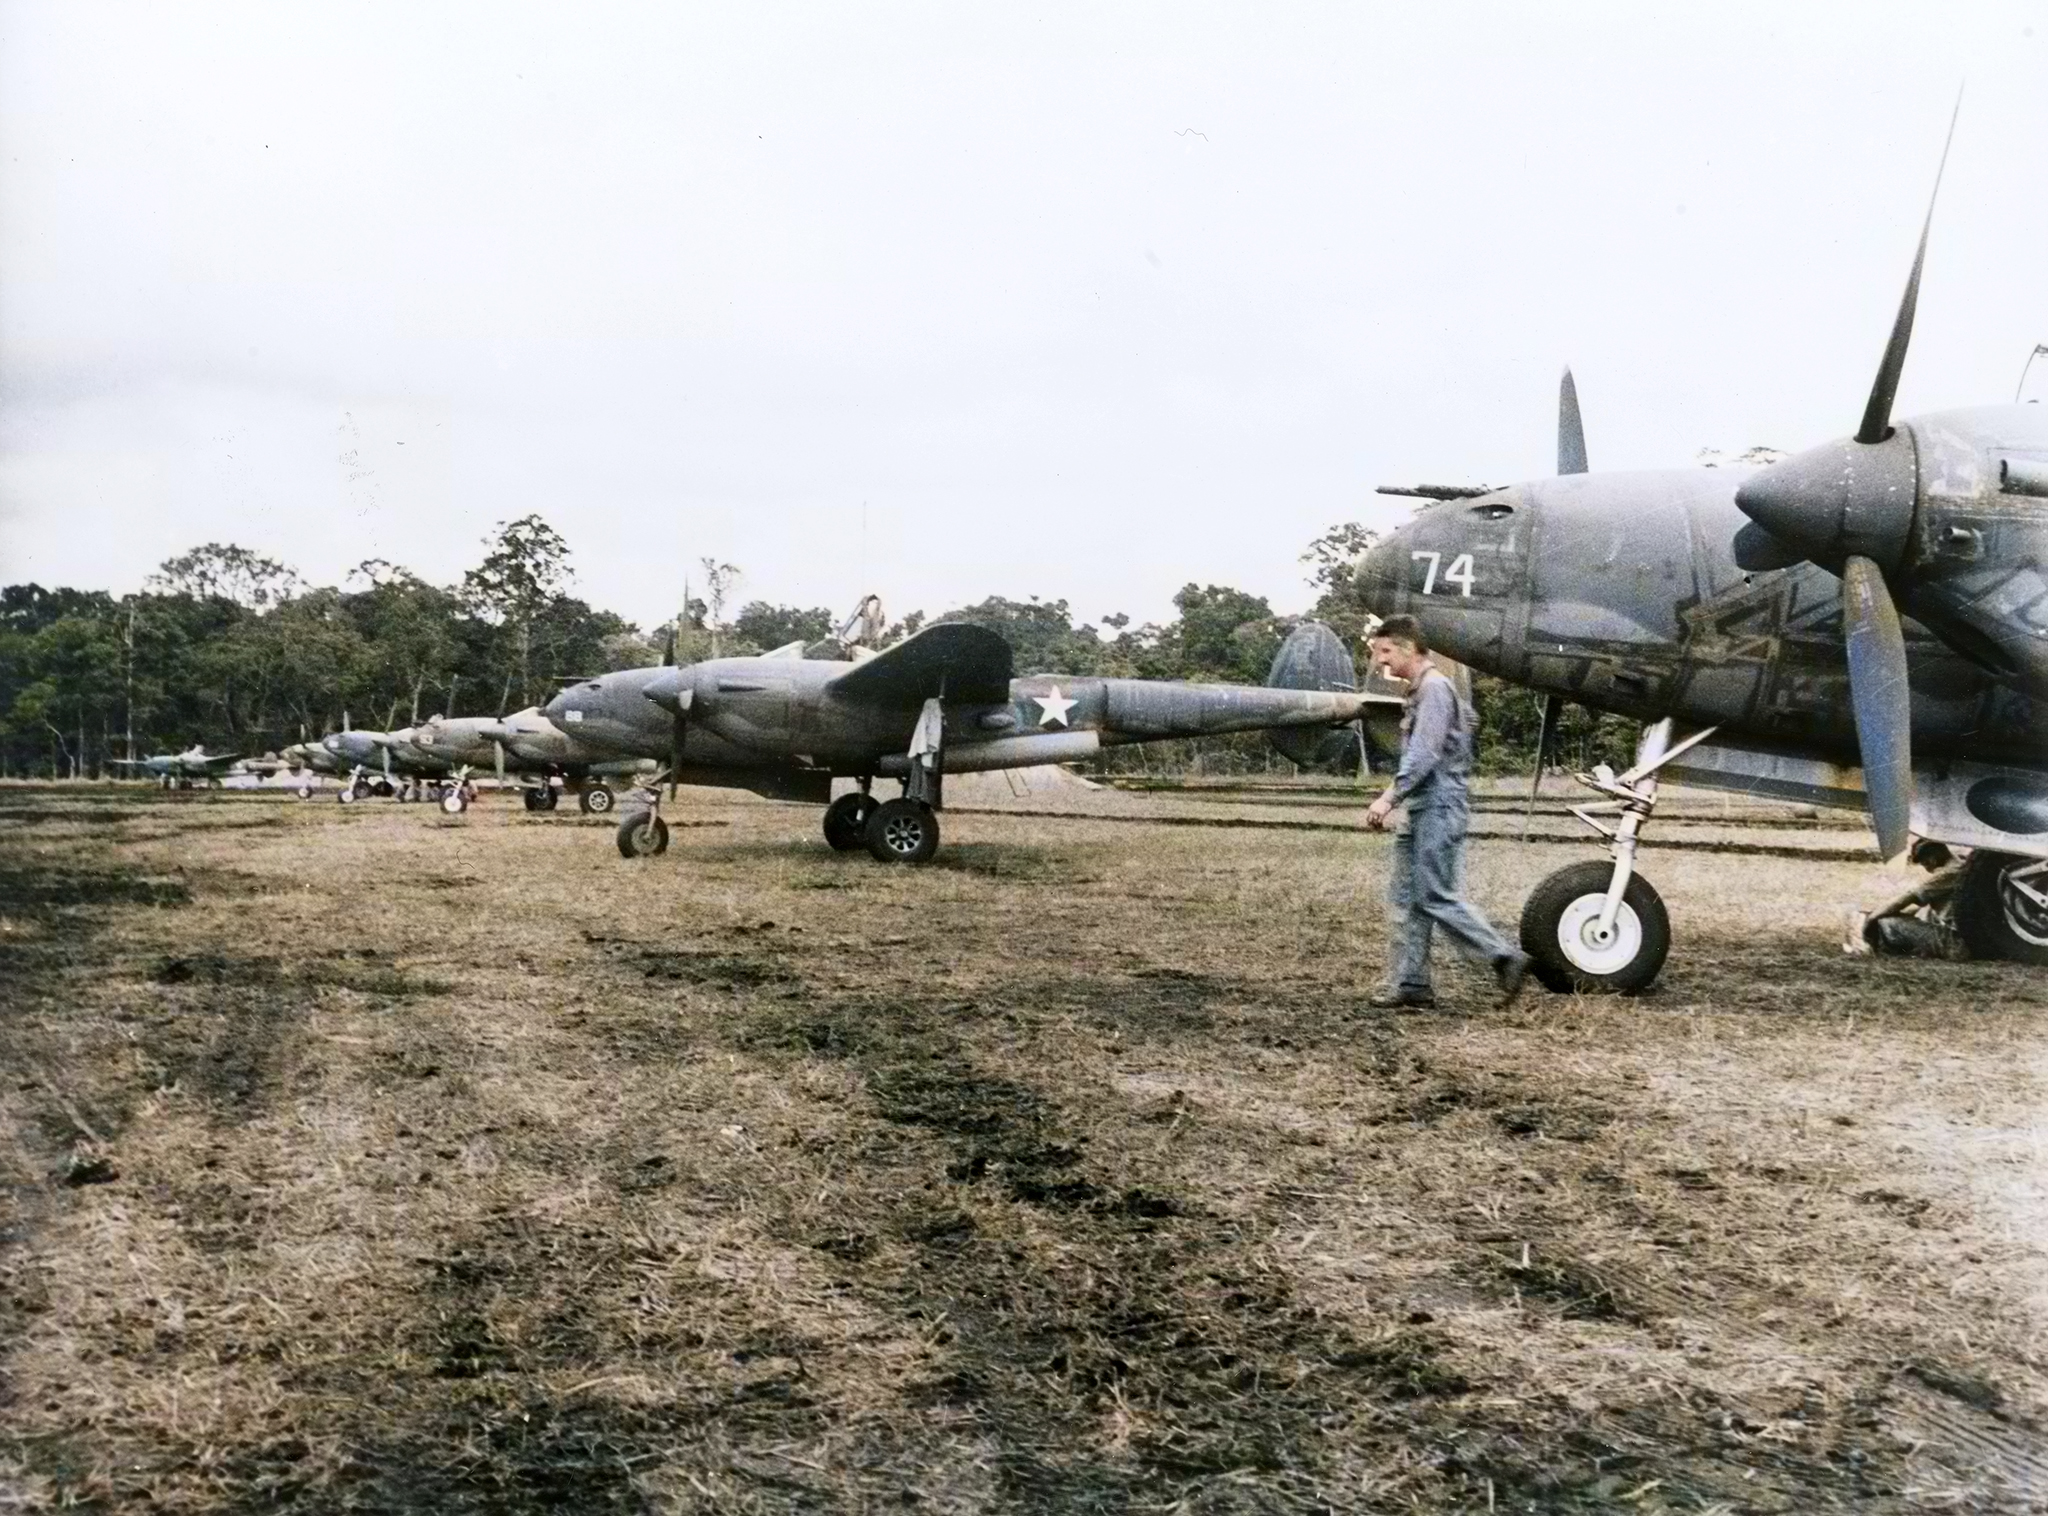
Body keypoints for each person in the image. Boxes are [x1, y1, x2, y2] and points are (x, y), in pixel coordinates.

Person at [1362, 616, 1529, 1009]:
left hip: (1438, 805)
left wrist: (1388, 799)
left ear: (1407, 648)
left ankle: (1503, 956)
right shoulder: (1424, 691)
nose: (1381, 663)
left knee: (1435, 895)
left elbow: (1423, 755)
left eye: (1385, 652)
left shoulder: (1435, 689)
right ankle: (1412, 984)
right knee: (1406, 898)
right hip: (1423, 804)